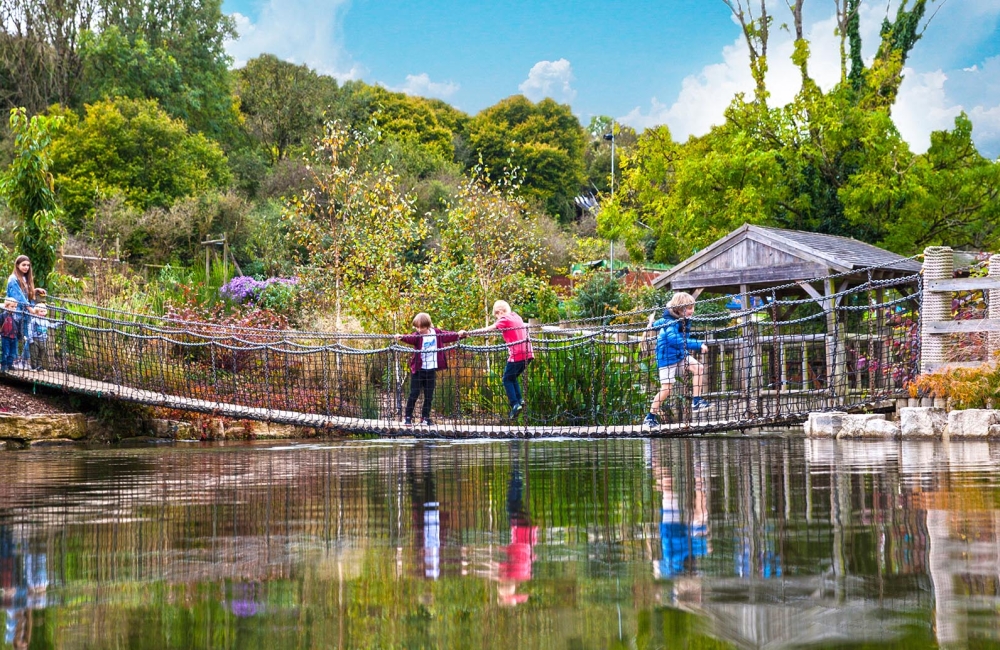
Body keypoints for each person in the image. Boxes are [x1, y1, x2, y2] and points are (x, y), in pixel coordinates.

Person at [644, 292, 710, 427]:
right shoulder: (671, 322)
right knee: (666, 389)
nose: (692, 311)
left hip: (679, 354)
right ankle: (650, 417)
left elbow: (659, 323)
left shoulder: (680, 318)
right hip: (667, 358)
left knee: (698, 367)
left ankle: (696, 401)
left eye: (692, 307)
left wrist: (652, 324)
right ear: (679, 309)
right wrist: (698, 344)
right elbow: (676, 340)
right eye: (688, 308)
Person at [462, 301, 534, 420]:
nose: (497, 319)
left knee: (506, 379)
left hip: (517, 355)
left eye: (496, 316)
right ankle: (520, 400)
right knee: (512, 377)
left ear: (500, 312)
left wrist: (469, 333)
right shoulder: (517, 316)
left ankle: (515, 404)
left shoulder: (504, 319)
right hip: (528, 353)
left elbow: (489, 329)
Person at [395, 312, 467, 426]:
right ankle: (408, 417)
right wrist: (402, 337)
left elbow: (448, 335)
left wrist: (459, 335)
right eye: (417, 327)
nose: (419, 329)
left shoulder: (436, 333)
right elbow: (410, 338)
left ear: (428, 326)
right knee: (414, 393)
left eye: (421, 327)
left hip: (431, 369)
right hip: (419, 370)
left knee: (429, 395)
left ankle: (425, 418)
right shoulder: (417, 336)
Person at [5, 256, 38, 370]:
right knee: (13, 337)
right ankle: (12, 361)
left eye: (28, 265)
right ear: (17, 265)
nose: (26, 267)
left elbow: (26, 294)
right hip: (16, 313)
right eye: (23, 265)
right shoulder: (13, 279)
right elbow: (19, 296)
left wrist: (35, 291)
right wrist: (31, 309)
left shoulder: (25, 278)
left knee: (30, 337)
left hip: (25, 314)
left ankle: (22, 360)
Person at [26, 303, 62, 371]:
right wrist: (30, 339)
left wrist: (59, 323)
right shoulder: (34, 320)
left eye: (44, 311)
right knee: (34, 354)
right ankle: (34, 367)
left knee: (41, 354)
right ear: (37, 312)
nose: (43, 313)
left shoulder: (46, 321)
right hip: (35, 339)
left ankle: (39, 367)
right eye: (41, 311)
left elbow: (52, 325)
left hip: (43, 340)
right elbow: (30, 329)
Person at [0, 298, 20, 372]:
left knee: (13, 352)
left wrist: (19, 335)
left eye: (15, 307)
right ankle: (4, 365)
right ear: (6, 306)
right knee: (5, 351)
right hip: (5, 336)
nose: (14, 308)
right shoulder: (2, 316)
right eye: (12, 307)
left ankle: (10, 364)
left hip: (14, 337)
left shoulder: (16, 317)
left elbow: (18, 326)